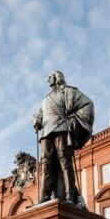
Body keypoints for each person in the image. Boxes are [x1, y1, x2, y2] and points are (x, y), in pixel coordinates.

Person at [32, 70, 94, 204]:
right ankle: (45, 195)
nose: (48, 79)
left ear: (57, 77)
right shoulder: (46, 99)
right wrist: (36, 120)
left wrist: (72, 121)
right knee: (46, 164)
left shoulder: (67, 91)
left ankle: (69, 195)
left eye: (50, 77)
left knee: (65, 163)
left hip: (62, 129)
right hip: (46, 133)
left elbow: (87, 104)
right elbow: (38, 115)